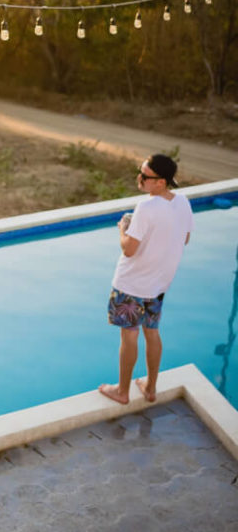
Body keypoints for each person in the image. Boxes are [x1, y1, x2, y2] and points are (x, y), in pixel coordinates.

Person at [98, 154, 194, 405]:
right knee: (152, 332)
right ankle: (150, 388)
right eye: (140, 172)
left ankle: (122, 391)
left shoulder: (146, 208)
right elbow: (184, 239)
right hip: (158, 285)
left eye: (145, 176)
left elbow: (129, 249)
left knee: (129, 336)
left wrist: (123, 229)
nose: (139, 178)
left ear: (161, 182)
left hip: (131, 284)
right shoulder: (183, 202)